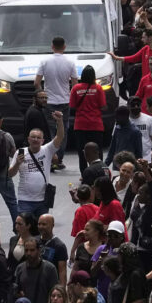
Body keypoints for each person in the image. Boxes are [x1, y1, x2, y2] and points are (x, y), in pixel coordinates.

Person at [9, 111, 64, 218]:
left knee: (41, 230)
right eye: (33, 137)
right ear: (28, 139)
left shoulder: (47, 150)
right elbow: (10, 174)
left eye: (38, 138)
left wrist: (60, 121)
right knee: (25, 230)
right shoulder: (20, 152)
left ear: (42, 141)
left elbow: (60, 137)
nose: (35, 139)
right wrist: (17, 164)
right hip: (25, 200)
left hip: (43, 200)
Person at [34, 36, 78, 166]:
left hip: (49, 102)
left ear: (52, 46)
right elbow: (75, 84)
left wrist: (42, 95)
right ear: (64, 47)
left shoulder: (44, 62)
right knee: (63, 130)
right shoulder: (70, 63)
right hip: (64, 101)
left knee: (50, 130)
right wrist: (69, 96)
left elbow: (36, 82)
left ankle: (51, 158)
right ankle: (59, 159)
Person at [70, 65, 107, 174]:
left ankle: (84, 174)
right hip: (96, 124)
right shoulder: (98, 88)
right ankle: (99, 172)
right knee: (98, 150)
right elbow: (103, 106)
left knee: (82, 151)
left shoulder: (76, 88)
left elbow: (72, 106)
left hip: (80, 125)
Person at [13, 238, 59, 303]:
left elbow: (55, 294)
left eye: (32, 250)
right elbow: (16, 292)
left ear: (39, 250)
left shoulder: (50, 269)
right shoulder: (20, 268)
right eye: (26, 250)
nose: (28, 253)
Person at [37, 214, 68, 286]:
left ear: (52, 225)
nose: (41, 227)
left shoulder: (59, 246)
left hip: (51, 285)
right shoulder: (34, 241)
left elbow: (62, 272)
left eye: (44, 224)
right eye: (39, 224)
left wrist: (62, 290)